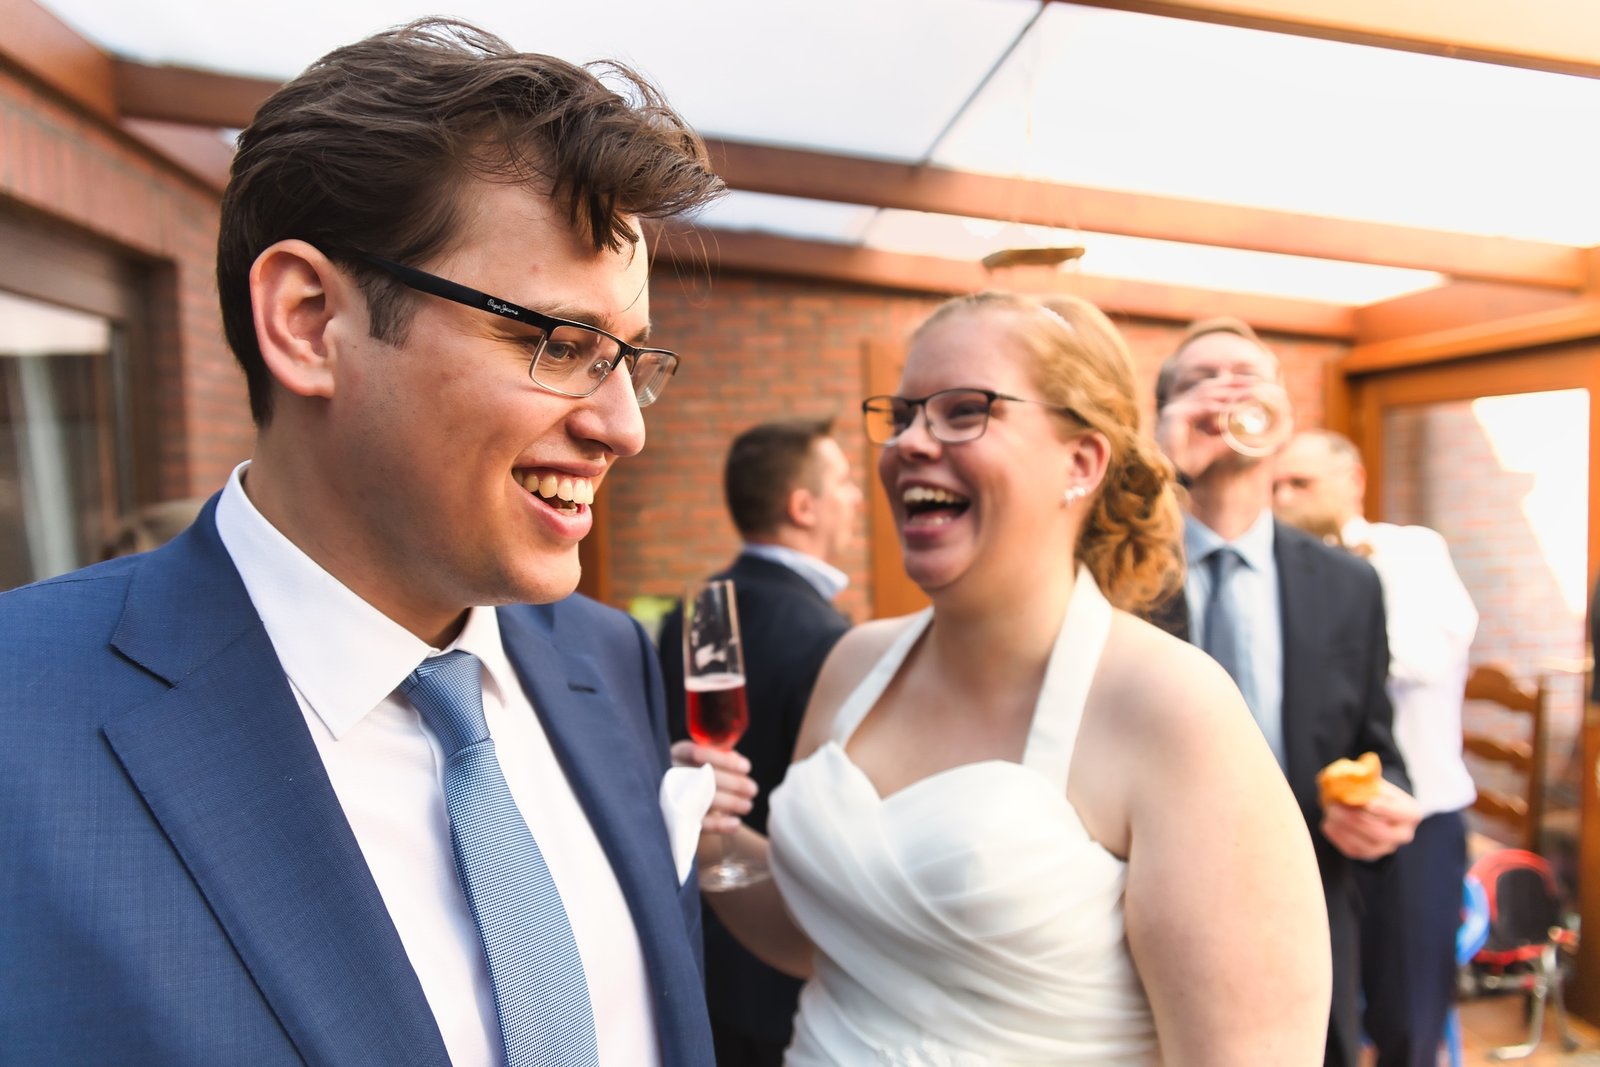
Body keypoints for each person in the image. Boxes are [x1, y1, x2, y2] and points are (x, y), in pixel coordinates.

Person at [0, 19, 724, 1067]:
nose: (624, 426)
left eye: (628, 357)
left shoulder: (606, 661)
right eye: (559, 343)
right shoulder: (23, 715)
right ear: (306, 321)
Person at [680, 292, 1331, 1064]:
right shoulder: (853, 666)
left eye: (964, 411)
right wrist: (709, 832)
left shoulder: (1175, 709)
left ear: (1081, 462)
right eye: (904, 415)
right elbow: (822, 935)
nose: (911, 444)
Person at [1152, 318, 1422, 1067]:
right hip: (1148, 907)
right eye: (1201, 378)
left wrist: (1384, 803)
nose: (1229, 388)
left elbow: (1377, 746)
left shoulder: (1348, 582)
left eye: (1249, 373)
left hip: (1306, 907)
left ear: (1283, 418)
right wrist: (1159, 473)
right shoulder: (1112, 574)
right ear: (1161, 417)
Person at [657, 416, 861, 1065]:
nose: (857, 496)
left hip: (690, 955)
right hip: (785, 970)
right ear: (804, 506)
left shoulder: (690, 613)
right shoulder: (829, 637)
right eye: (845, 481)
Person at [1275, 429, 1479, 1067]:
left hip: (1413, 820)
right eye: (1276, 485)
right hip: (1309, 832)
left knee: (1407, 1021)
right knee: (1320, 1014)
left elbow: (1424, 656)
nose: (1284, 498)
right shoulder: (1275, 570)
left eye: (1301, 483)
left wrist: (1340, 590)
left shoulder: (1408, 553)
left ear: (1353, 481)